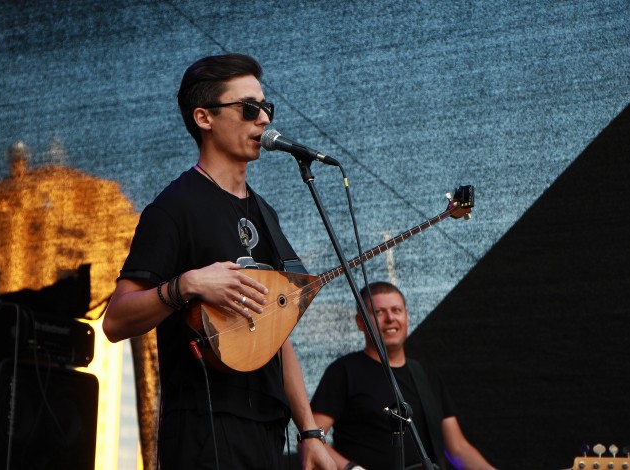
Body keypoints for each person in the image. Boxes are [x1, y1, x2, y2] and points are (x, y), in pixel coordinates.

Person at [102, 53, 335, 470]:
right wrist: (186, 285)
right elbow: (115, 321)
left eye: (266, 107)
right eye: (249, 108)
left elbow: (277, 327)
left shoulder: (265, 212)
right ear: (204, 117)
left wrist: (310, 431)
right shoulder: (174, 208)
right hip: (202, 429)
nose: (264, 119)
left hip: (266, 429)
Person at [311, 282, 496, 470]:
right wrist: (352, 468)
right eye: (379, 312)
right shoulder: (344, 371)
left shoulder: (425, 374)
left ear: (407, 317)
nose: (390, 318)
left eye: (396, 310)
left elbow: (458, 448)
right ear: (360, 322)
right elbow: (312, 438)